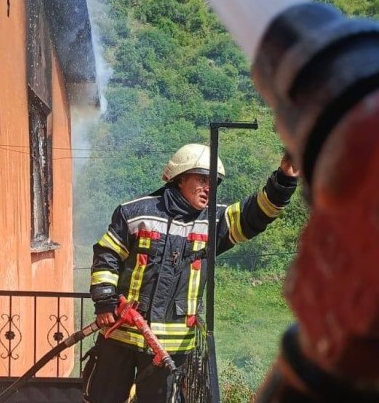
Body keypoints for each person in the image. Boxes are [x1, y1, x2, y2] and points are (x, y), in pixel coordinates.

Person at [82, 143, 300, 403]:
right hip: (121, 335)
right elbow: (107, 254)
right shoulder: (135, 213)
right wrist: (105, 301)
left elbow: (258, 213)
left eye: (214, 182)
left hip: (170, 349)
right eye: (202, 179)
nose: (209, 187)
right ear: (180, 178)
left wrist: (285, 178)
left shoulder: (214, 222)